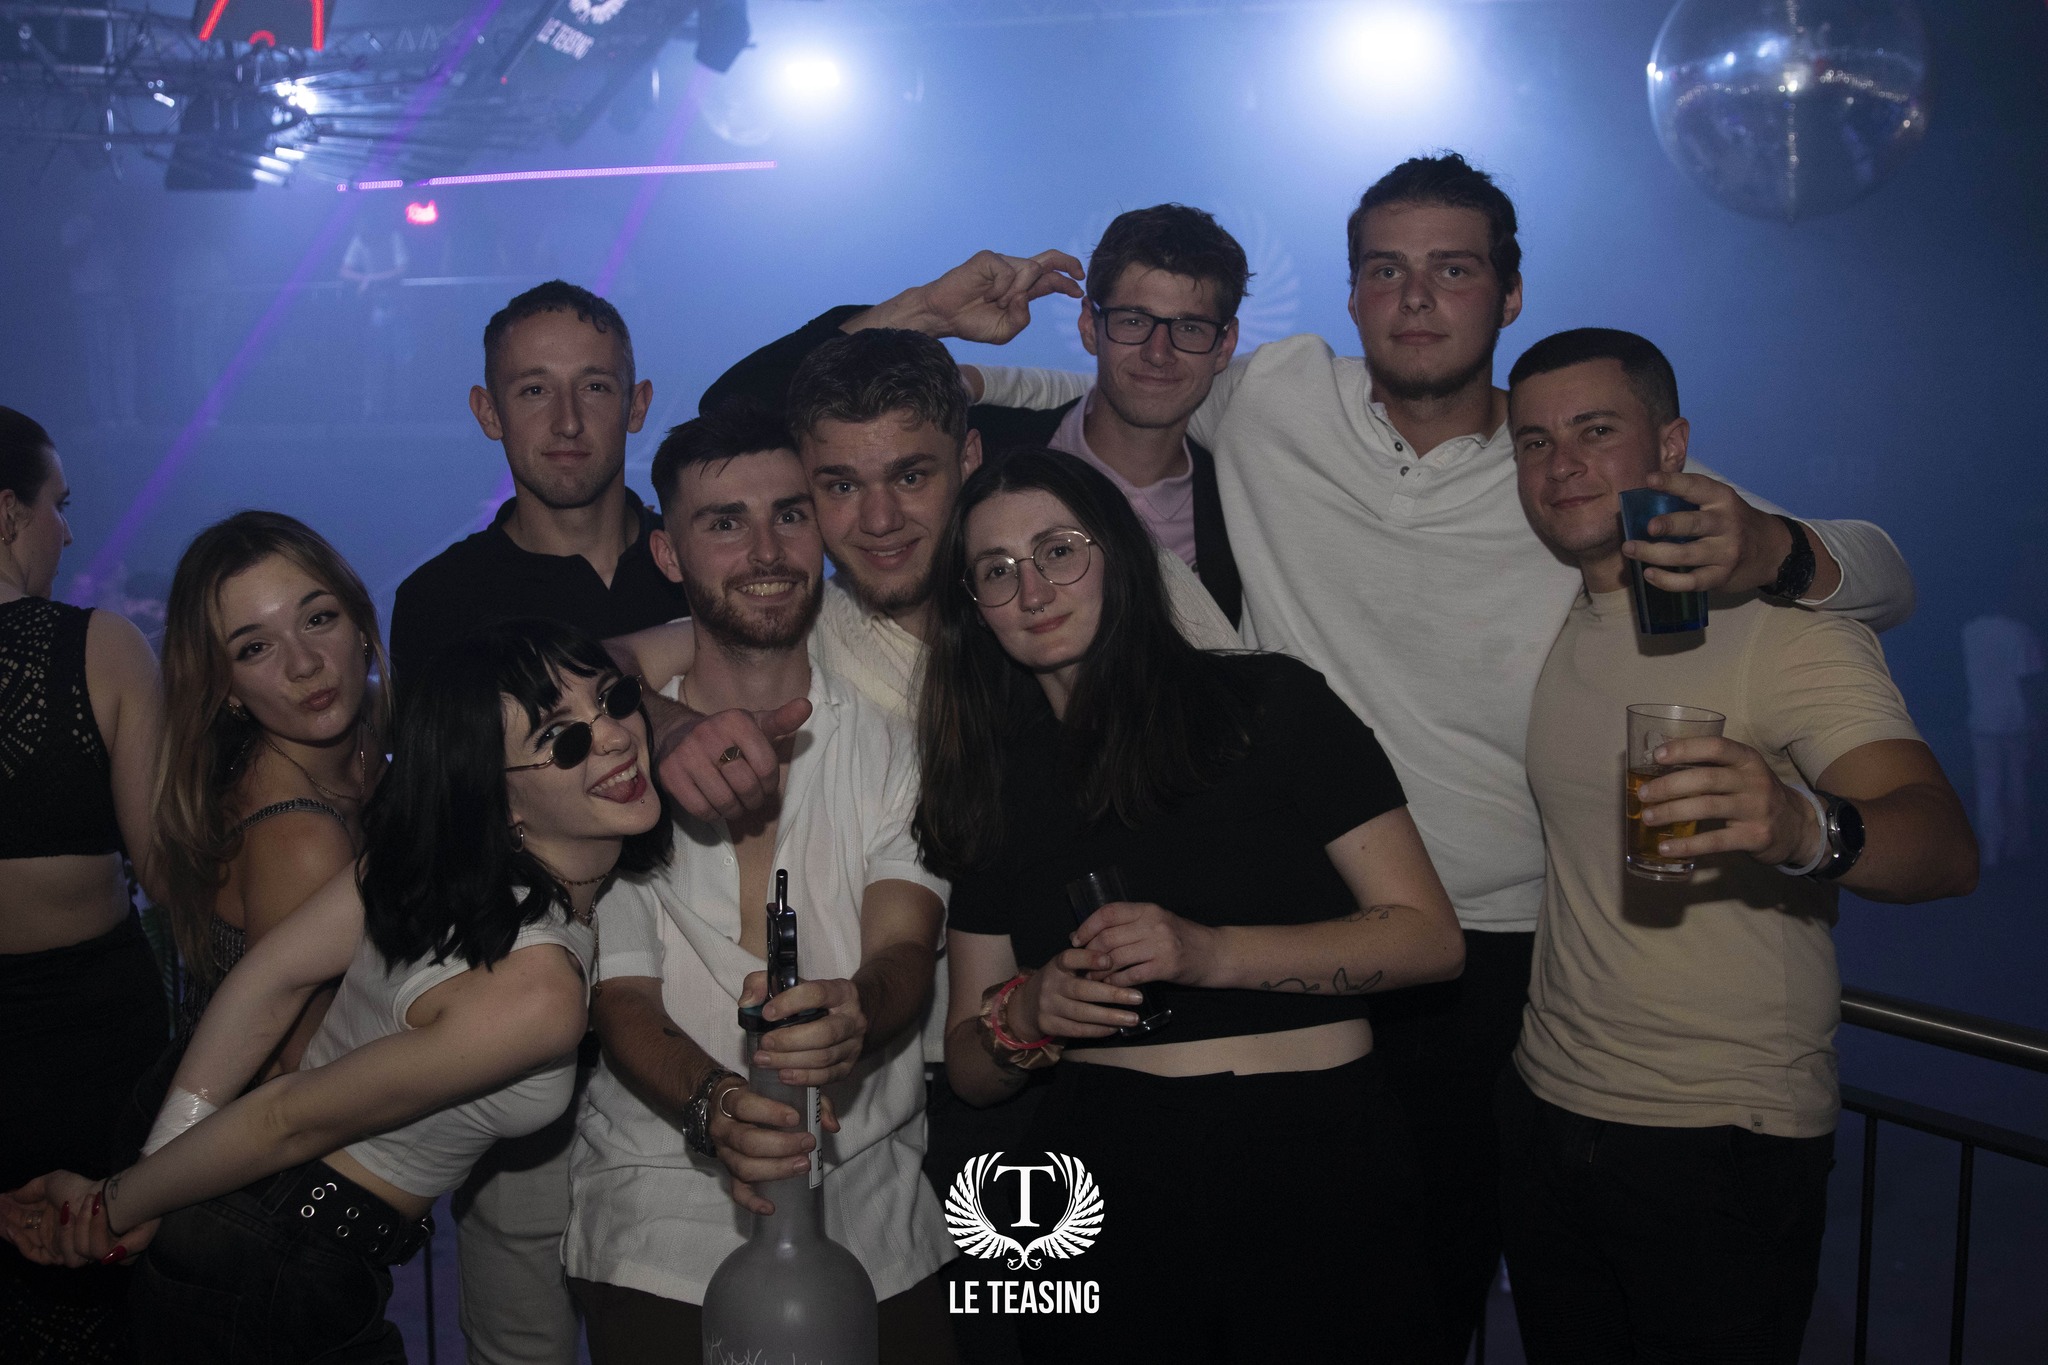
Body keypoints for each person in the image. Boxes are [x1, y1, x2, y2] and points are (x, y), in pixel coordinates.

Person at [947, 154, 1919, 1362]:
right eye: (1384, 271)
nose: (1413, 299)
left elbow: (1880, 579)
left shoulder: (1566, 470)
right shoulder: (1277, 398)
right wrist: (943, 348)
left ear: (1507, 295)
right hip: (1295, 936)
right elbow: (1120, 381)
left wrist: (1777, 549)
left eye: (1450, 271)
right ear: (1351, 294)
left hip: (1503, 951)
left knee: (1436, 1288)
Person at [3, 620, 670, 1364]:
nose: (615, 737)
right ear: (499, 799)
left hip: (234, 1206)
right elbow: (287, 1115)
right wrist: (118, 1204)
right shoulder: (540, 991)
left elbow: (268, 979)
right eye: (561, 739)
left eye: (614, 700)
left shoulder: (423, 862)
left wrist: (150, 1176)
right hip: (281, 1262)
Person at [1497, 328, 1976, 1363]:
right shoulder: (1549, 607)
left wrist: (1804, 825)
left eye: (1595, 431)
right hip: (1547, 1106)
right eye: (1534, 442)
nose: (1561, 464)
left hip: (1719, 1139)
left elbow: (1944, 847)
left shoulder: (1782, 627)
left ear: (1671, 447)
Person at [924, 448, 1465, 1362]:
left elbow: (1430, 940)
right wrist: (1025, 1014)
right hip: (1096, 1172)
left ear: (1120, 555)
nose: (1033, 589)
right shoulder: (992, 780)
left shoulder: (1271, 705)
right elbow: (971, 1069)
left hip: (1315, 1152)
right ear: (975, 605)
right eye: (997, 569)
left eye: (1058, 550)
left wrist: (1210, 952)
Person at [567, 407, 956, 1363]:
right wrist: (714, 1105)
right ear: (669, 552)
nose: (767, 550)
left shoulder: (895, 746)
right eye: (724, 523)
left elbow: (905, 946)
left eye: (790, 513)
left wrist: (859, 1012)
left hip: (876, 1212)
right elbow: (621, 997)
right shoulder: (613, 765)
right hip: (660, 1209)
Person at [388, 278, 691, 1365]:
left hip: (701, 1022)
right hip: (526, 1045)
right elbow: (439, 828)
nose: (566, 420)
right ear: (487, 411)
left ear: (638, 402)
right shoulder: (442, 602)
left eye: (595, 387)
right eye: (532, 390)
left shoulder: (710, 557)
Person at [700, 205, 1250, 624]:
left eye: (1190, 328)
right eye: (1133, 321)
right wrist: (926, 311)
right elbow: (736, 412)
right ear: (1089, 325)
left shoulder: (1247, 498)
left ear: (1225, 345)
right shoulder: (989, 447)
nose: (1158, 352)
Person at [0, 407, 167, 1364]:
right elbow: (167, 873)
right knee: (104, 1299)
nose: (66, 532)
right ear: (6, 513)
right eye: (58, 504)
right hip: (90, 1039)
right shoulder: (102, 645)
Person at [152, 511, 391, 1053]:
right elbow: (302, 1066)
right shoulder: (299, 839)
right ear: (225, 688)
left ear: (359, 624)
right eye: (254, 648)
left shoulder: (375, 724)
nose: (304, 664)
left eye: (318, 619)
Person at [1961, 604, 2042, 869]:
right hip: (2016, 720)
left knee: (1988, 788)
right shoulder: (2020, 632)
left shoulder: (1970, 632)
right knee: (2016, 784)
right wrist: (2037, 718)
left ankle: (1992, 850)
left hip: (1983, 720)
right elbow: (2028, 681)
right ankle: (2017, 845)